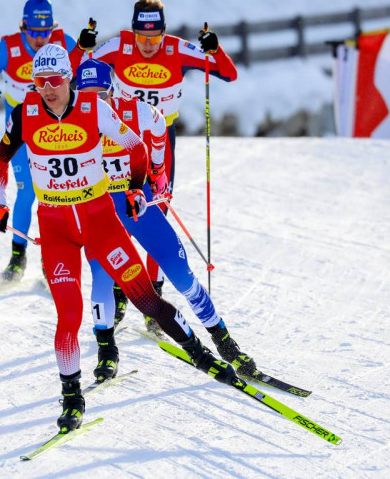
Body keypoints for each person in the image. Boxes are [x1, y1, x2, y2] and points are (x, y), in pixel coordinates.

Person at [0, 44, 236, 433]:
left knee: (147, 300)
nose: (47, 89)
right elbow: (0, 161)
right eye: (39, 82)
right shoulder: (25, 114)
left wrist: (138, 188)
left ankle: (202, 355)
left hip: (100, 220)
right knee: (68, 317)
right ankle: (72, 398)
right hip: (57, 230)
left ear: (68, 79)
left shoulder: (94, 109)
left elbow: (137, 147)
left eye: (54, 81)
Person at [76, 59, 256, 381]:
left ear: (112, 92)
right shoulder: (71, 123)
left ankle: (224, 341)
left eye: (100, 95)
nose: (94, 103)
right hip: (103, 211)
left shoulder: (133, 110)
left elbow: (159, 127)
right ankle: (107, 350)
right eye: (86, 95)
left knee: (180, 274)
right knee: (101, 278)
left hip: (137, 205)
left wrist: (158, 170)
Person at [80, 0, 237, 306]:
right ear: (132, 31)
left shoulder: (177, 49)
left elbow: (228, 73)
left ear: (164, 33)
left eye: (155, 37)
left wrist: (214, 48)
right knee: (119, 209)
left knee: (157, 210)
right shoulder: (117, 47)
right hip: (120, 135)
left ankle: (155, 289)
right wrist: (82, 46)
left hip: (162, 135)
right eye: (142, 36)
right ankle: (120, 286)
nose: (148, 45)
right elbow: (80, 73)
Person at [0, 0, 96, 282]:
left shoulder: (64, 41)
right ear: (23, 27)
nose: (40, 39)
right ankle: (18, 256)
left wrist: (85, 50)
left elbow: (88, 70)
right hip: (20, 128)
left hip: (54, 128)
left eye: (45, 32)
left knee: (54, 193)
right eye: (34, 33)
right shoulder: (8, 47)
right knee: (27, 193)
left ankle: (51, 255)